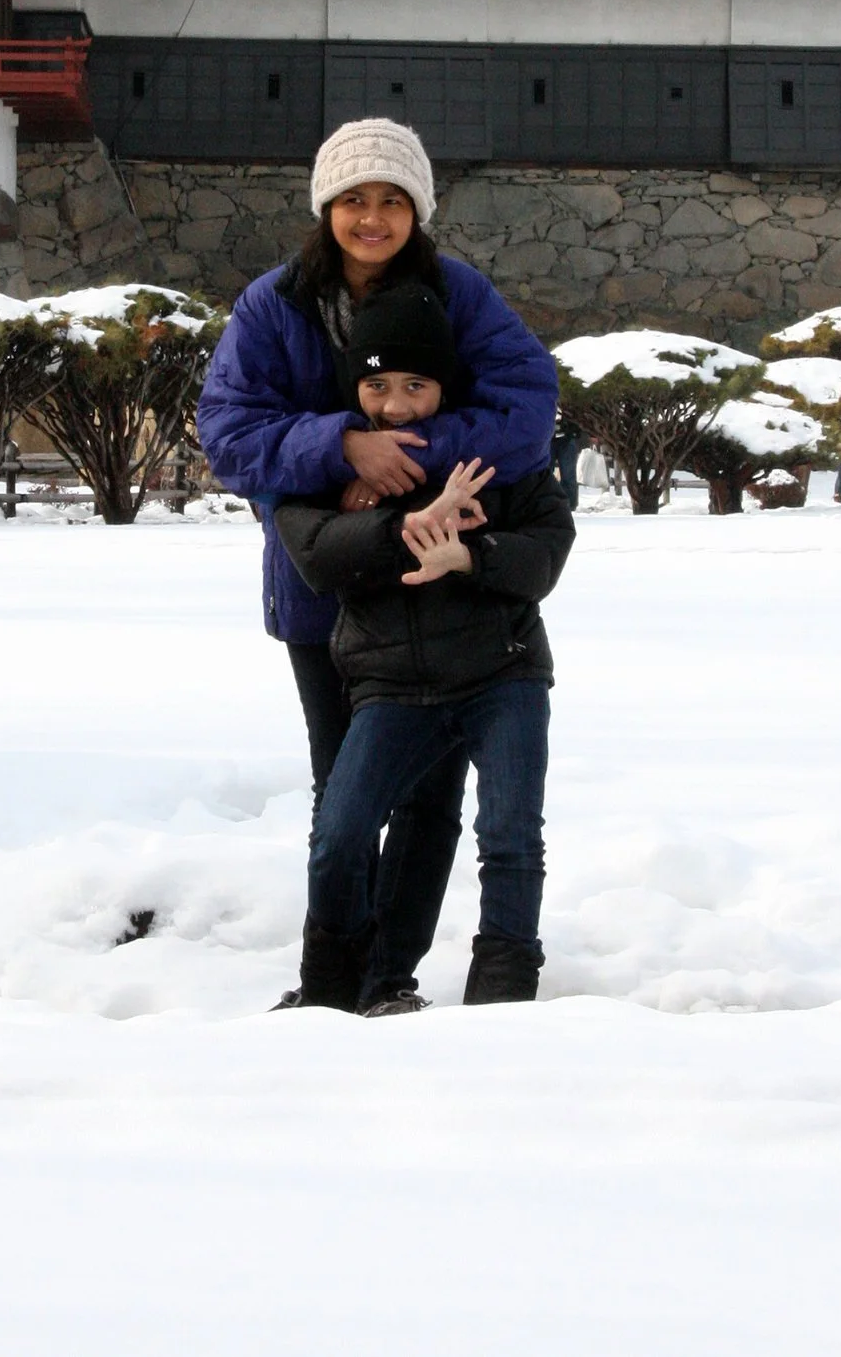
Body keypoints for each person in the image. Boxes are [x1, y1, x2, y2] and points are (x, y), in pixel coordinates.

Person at [196, 117, 556, 1014]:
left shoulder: (459, 293)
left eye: (392, 200)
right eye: (353, 199)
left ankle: (390, 974)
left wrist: (407, 455)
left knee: (429, 799)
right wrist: (342, 446)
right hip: (324, 584)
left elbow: (526, 408)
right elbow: (229, 433)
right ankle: (334, 978)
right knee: (343, 798)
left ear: (417, 209)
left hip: (441, 593)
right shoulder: (272, 305)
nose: (371, 217)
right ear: (326, 207)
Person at [275, 281, 574, 1010]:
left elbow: (545, 552)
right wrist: (407, 526)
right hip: (391, 685)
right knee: (340, 835)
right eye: (377, 385)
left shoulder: (493, 451)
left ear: (445, 384)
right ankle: (331, 990)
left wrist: (470, 555)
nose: (397, 403)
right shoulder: (334, 461)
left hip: (501, 673)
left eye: (417, 384)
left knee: (510, 836)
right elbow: (312, 548)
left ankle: (502, 994)